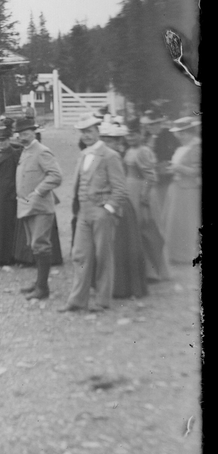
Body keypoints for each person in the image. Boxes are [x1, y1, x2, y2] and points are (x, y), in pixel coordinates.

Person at [59, 115, 127, 313]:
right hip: (83, 213)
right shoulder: (84, 154)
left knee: (103, 256)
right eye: (83, 132)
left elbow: (120, 189)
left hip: (101, 213)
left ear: (98, 131)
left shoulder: (110, 155)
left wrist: (108, 210)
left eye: (89, 131)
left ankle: (102, 300)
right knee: (79, 255)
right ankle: (77, 300)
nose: (86, 135)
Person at [14, 116, 63, 301]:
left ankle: (43, 288)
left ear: (34, 132)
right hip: (27, 206)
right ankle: (38, 283)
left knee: (40, 245)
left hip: (41, 207)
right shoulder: (25, 151)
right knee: (34, 245)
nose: (22, 137)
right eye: (20, 134)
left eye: (26, 133)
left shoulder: (42, 151)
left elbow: (56, 176)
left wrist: (38, 191)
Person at [100, 120, 146, 301]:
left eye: (111, 140)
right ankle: (110, 284)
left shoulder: (114, 157)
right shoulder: (105, 155)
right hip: (108, 200)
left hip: (118, 203)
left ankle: (122, 286)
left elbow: (118, 186)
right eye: (104, 139)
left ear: (118, 142)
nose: (106, 143)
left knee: (120, 244)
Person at [123, 123, 168, 282]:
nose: (131, 137)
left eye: (134, 134)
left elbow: (151, 176)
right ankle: (140, 268)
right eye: (128, 135)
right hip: (130, 190)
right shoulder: (129, 150)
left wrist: (144, 196)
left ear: (141, 134)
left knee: (145, 228)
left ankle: (153, 271)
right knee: (134, 229)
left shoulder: (143, 151)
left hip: (141, 192)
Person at [161, 115, 201, 269]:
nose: (180, 137)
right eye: (179, 134)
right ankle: (174, 254)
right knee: (173, 222)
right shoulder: (182, 148)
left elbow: (196, 171)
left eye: (183, 133)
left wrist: (178, 168)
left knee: (186, 223)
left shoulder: (196, 148)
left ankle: (185, 255)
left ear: (190, 132)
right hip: (176, 187)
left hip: (188, 189)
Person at [0, 122, 22, 266]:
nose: (1, 143)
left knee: (7, 225)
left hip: (10, 194)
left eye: (4, 140)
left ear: (9, 140)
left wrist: (14, 191)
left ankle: (8, 257)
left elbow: (18, 174)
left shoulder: (14, 154)